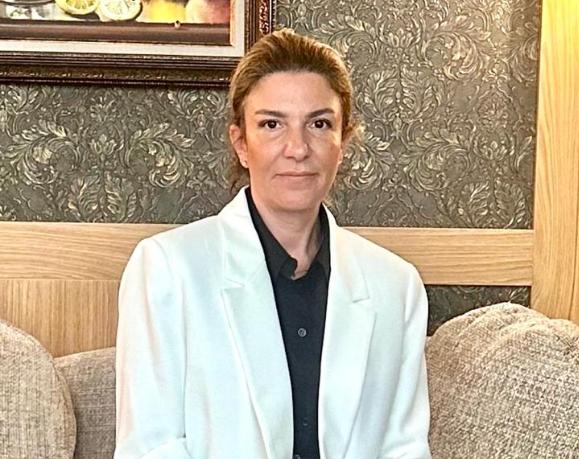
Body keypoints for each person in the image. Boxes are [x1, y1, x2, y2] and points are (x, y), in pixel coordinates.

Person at [114, 29, 431, 459]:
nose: (297, 148)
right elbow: (152, 447)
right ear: (241, 144)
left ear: (343, 142)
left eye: (319, 124)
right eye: (271, 124)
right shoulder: (168, 268)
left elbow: (405, 448)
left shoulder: (396, 285)